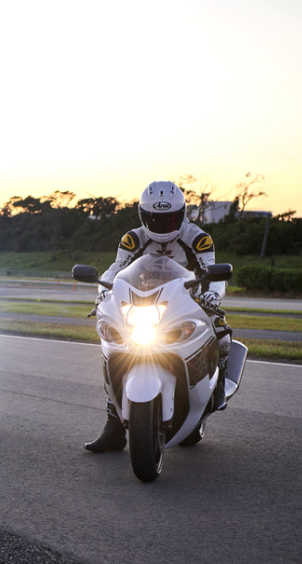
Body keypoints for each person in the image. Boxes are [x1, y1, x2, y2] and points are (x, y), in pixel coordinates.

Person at [84, 180, 232, 453]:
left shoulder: (198, 237)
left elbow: (212, 271)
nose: (162, 224)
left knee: (222, 331)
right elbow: (115, 269)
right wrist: (103, 293)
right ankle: (113, 426)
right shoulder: (134, 238)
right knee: (114, 348)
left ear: (181, 214)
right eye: (155, 219)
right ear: (144, 216)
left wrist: (213, 296)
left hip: (186, 301)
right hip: (140, 304)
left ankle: (217, 387)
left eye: (169, 218)